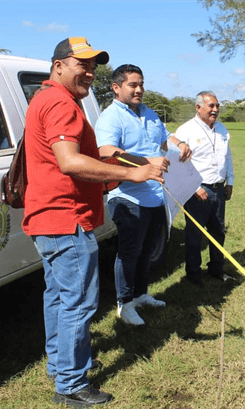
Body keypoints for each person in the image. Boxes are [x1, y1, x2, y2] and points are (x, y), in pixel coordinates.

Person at [23, 37, 164, 407]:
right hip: (65, 218)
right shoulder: (60, 103)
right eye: (81, 64)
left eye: (94, 66)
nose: (89, 72)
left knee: (58, 296)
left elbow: (73, 157)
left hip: (48, 218)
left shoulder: (46, 98)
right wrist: (134, 174)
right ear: (58, 65)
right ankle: (71, 384)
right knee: (79, 303)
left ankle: (61, 364)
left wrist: (120, 165)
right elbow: (70, 162)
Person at [95, 64, 192, 326]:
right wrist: (146, 161)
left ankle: (140, 294)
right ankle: (124, 304)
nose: (139, 90)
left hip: (155, 194)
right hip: (128, 196)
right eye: (132, 85)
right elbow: (106, 151)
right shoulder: (110, 117)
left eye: (141, 84)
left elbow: (165, 137)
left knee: (147, 250)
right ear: (116, 88)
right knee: (129, 252)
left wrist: (179, 144)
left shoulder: (148, 113)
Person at [174, 91, 234, 286]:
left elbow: (228, 156)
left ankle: (216, 269)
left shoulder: (222, 129)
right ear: (198, 107)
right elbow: (178, 163)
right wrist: (194, 187)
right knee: (195, 235)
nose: (215, 110)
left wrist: (230, 181)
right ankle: (193, 275)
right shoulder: (185, 131)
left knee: (218, 231)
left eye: (217, 106)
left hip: (219, 188)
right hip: (197, 191)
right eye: (211, 106)